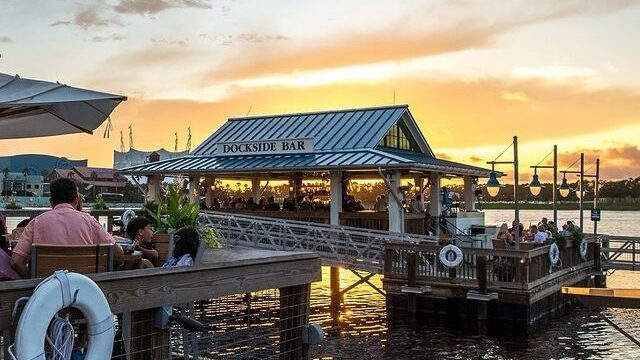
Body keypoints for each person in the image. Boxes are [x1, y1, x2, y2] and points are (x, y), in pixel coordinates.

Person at [10, 178, 124, 279]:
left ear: (51, 202)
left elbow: (16, 262)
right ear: (76, 200)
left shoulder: (36, 222)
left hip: (49, 294)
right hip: (85, 291)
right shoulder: (90, 222)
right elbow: (119, 254)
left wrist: (36, 282)